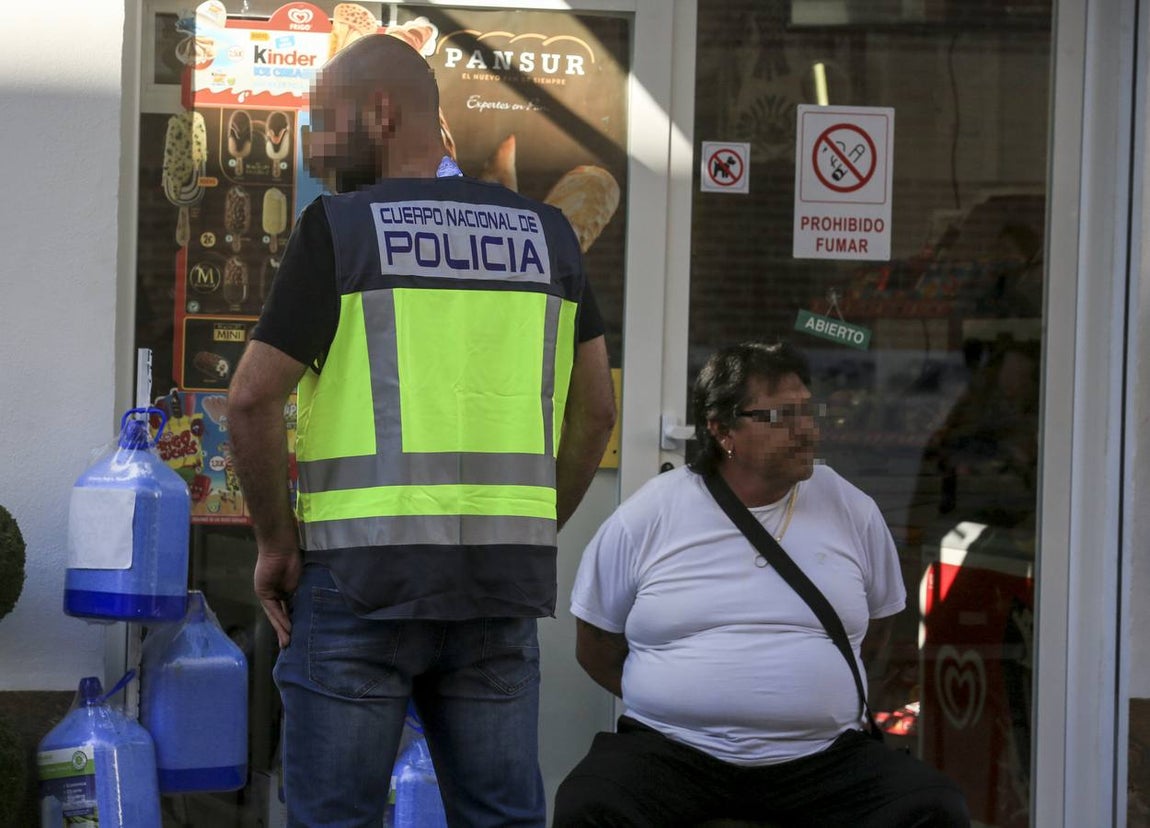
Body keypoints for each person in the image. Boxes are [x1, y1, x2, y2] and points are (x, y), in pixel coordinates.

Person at [227, 34, 616, 828]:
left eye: (324, 122)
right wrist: (534, 525)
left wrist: (275, 545)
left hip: (357, 587)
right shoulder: (548, 237)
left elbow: (251, 401)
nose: (314, 144)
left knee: (337, 818)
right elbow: (598, 412)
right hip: (498, 588)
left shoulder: (338, 229)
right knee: (501, 818)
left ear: (380, 111)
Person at [553, 341, 969, 828]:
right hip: (672, 753)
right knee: (588, 805)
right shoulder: (652, 514)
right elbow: (595, 641)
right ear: (722, 429)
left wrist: (814, 699)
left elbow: (877, 628)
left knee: (933, 805)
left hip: (823, 760)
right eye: (782, 417)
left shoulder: (850, 508)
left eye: (809, 412)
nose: (806, 431)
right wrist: (678, 697)